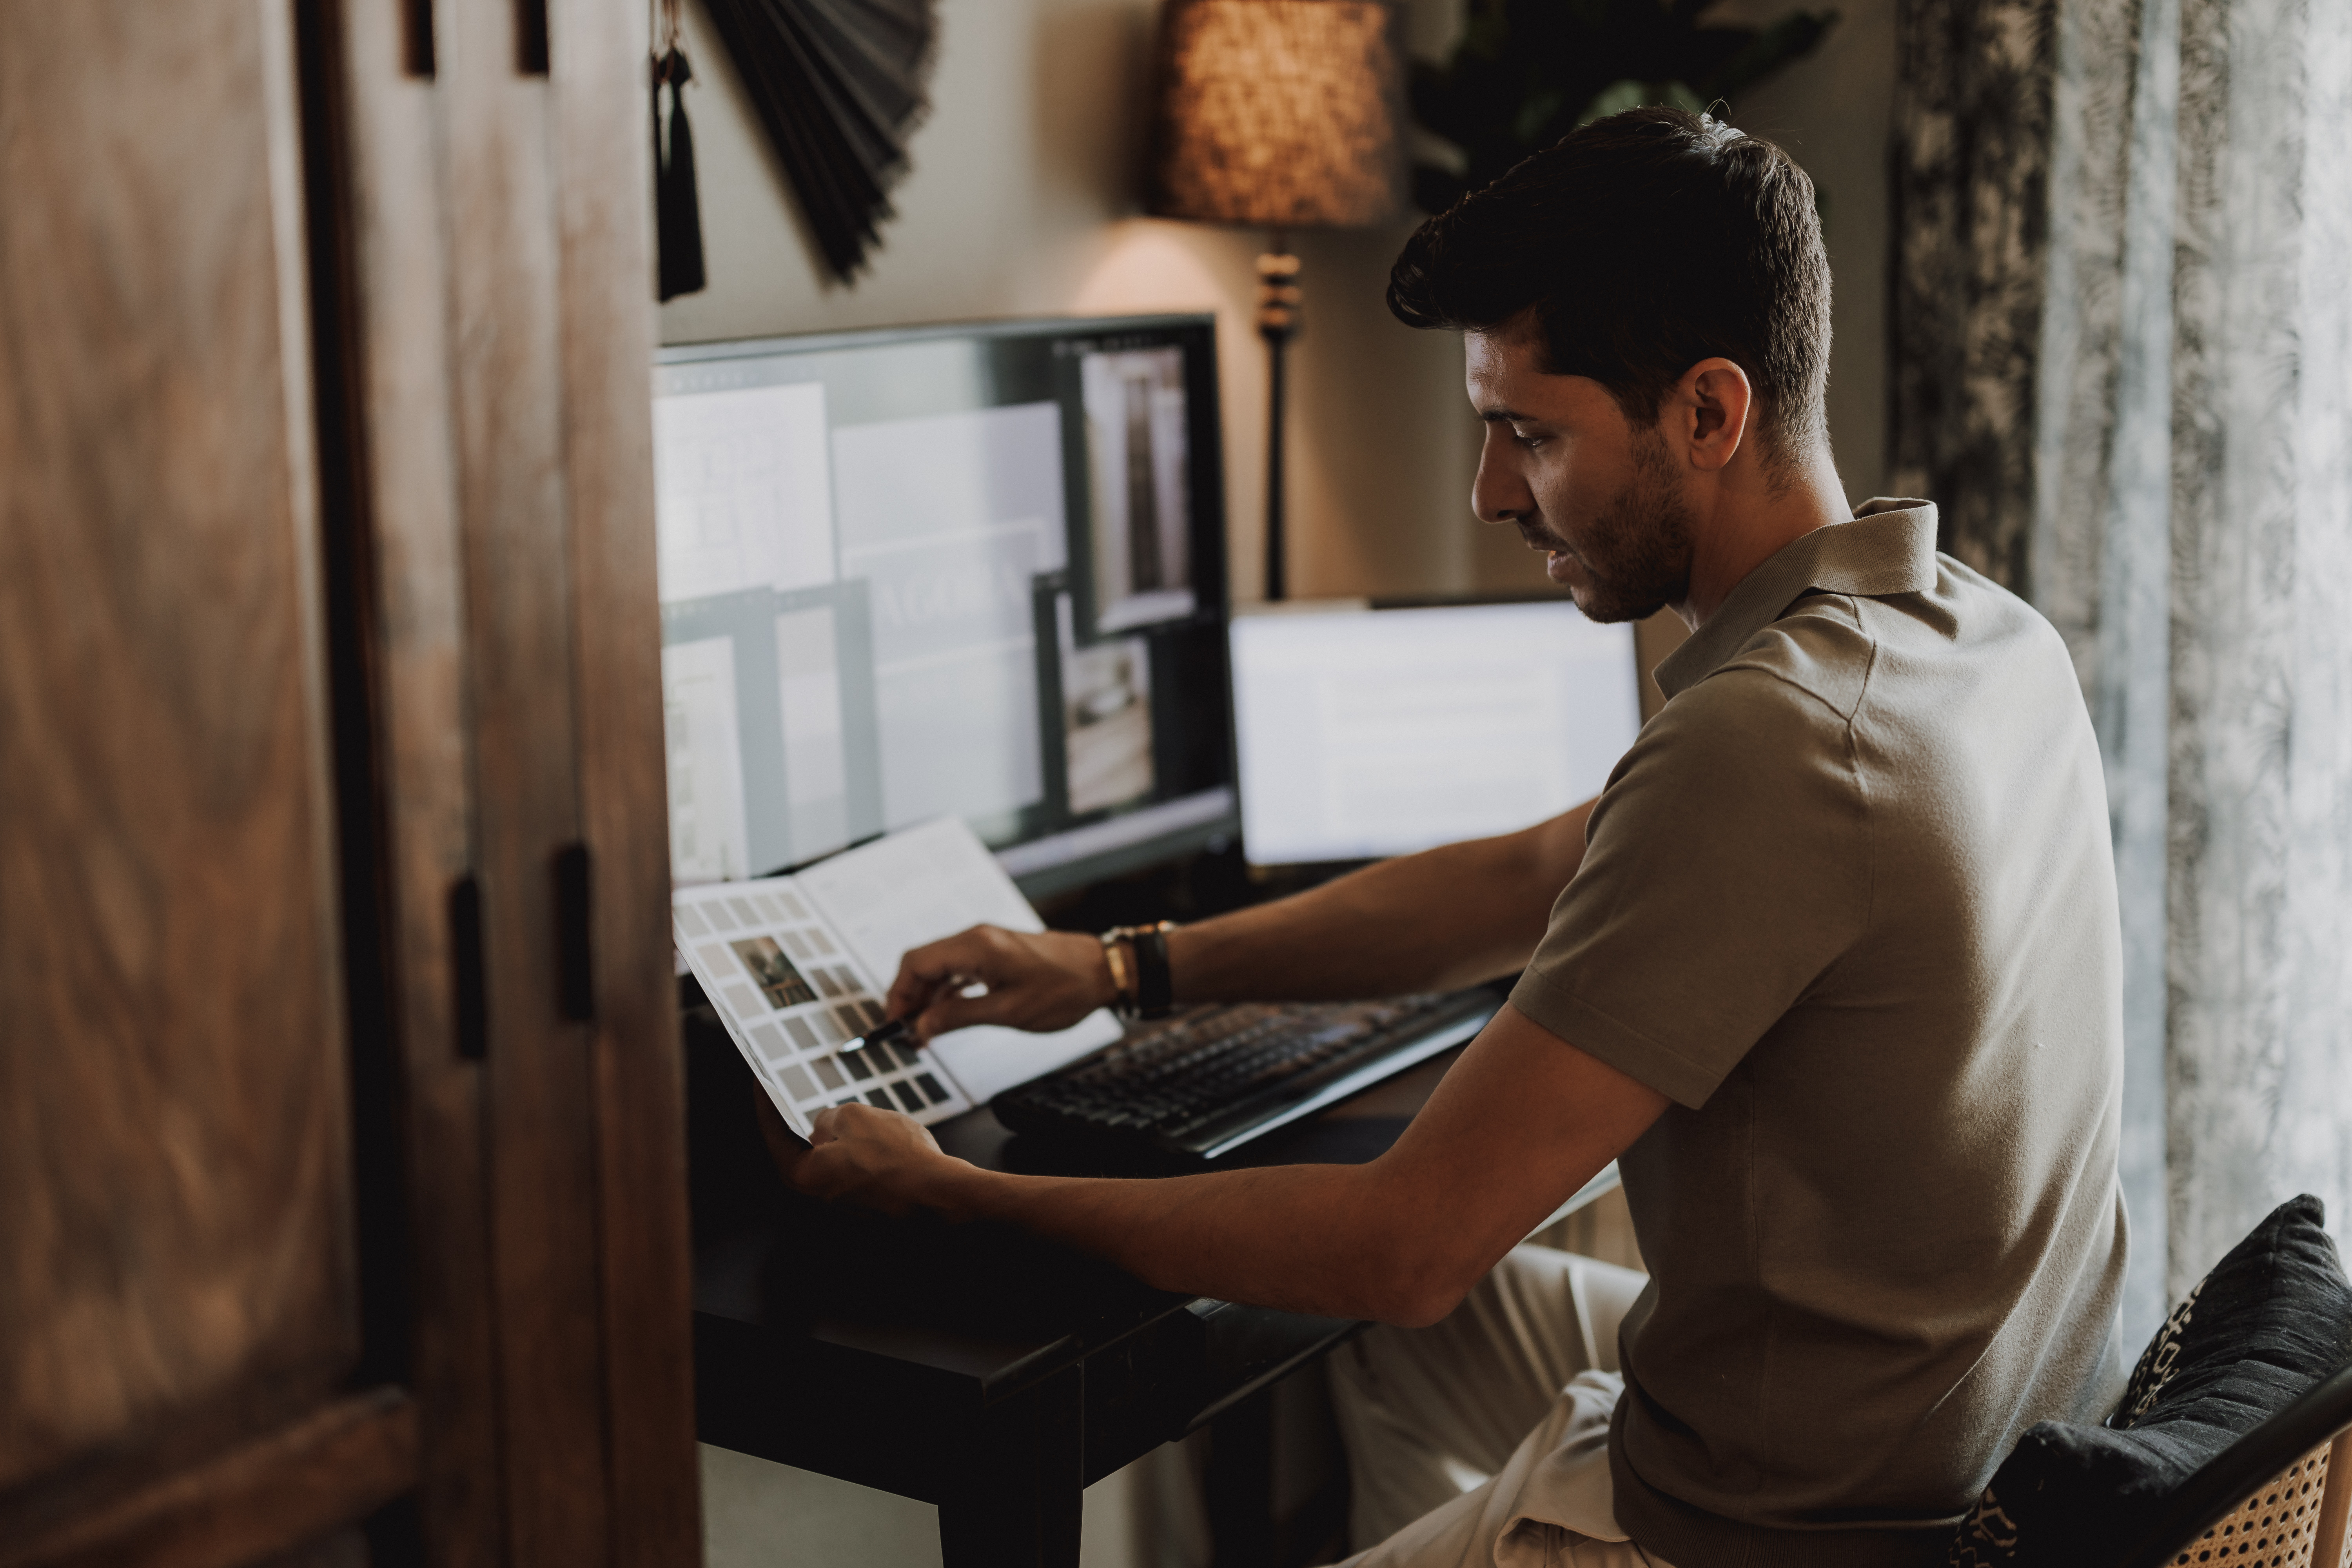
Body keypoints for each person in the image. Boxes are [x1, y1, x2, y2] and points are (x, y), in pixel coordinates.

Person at [764, 107, 2130, 1568]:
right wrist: (1119, 969)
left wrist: (963, 1198)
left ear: (1710, 414)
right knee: (1379, 1347)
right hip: (1955, 1436)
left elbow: (1400, 1247)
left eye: (1530, 434)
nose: (1488, 493)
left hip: (1790, 1537)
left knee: (1383, 1294)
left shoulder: (1770, 742)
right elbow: (1539, 876)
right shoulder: (1975, 635)